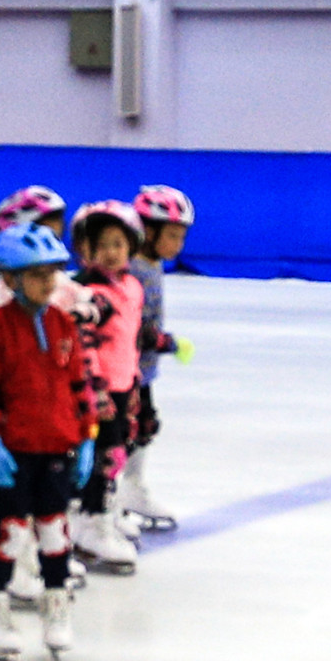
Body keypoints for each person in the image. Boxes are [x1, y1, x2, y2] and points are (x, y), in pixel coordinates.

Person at [0, 223, 97, 661]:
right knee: (10, 533)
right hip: (15, 449)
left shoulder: (63, 323)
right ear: (10, 279)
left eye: (53, 273)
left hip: (57, 448)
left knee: (54, 532)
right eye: (38, 274)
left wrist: (87, 437)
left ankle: (56, 606)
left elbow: (80, 383)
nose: (50, 282)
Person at [67, 201, 147, 576]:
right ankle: (90, 521)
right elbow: (85, 340)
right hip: (95, 392)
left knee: (116, 454)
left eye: (118, 243)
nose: (111, 252)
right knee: (100, 457)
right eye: (103, 245)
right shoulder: (92, 292)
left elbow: (131, 338)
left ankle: (101, 513)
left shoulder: (131, 286)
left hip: (121, 385)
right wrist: (95, 392)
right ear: (87, 250)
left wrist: (133, 382)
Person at [123, 184, 195, 533]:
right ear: (147, 232)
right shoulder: (134, 269)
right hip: (124, 371)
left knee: (142, 428)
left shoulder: (151, 264)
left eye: (181, 237)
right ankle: (111, 497)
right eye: (173, 236)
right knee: (124, 432)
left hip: (143, 371)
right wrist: (164, 342)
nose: (178, 246)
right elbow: (131, 324)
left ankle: (131, 489)